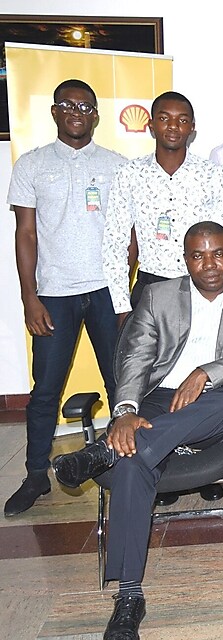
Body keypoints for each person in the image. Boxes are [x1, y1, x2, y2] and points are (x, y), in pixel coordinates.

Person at [51, 222, 223, 639]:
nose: (210, 264)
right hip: (157, 400)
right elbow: (135, 358)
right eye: (199, 255)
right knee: (134, 457)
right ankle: (130, 596)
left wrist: (206, 373)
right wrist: (127, 411)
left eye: (219, 253)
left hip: (214, 405)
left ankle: (103, 451)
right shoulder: (157, 296)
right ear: (185, 260)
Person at [4, 79, 126, 517]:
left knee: (122, 383)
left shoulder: (116, 165)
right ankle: (36, 473)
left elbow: (126, 232)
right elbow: (26, 233)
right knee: (45, 391)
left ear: (95, 115)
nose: (78, 111)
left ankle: (123, 463)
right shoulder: (32, 165)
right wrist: (29, 298)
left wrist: (122, 283)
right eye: (69, 105)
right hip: (53, 294)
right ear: (55, 112)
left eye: (86, 106)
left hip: (107, 293)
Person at [103, 91, 223, 320]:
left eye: (182, 120)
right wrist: (122, 306)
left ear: (192, 127)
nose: (173, 126)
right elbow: (115, 242)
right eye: (164, 119)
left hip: (201, 289)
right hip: (150, 289)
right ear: (151, 125)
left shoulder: (213, 175)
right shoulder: (129, 174)